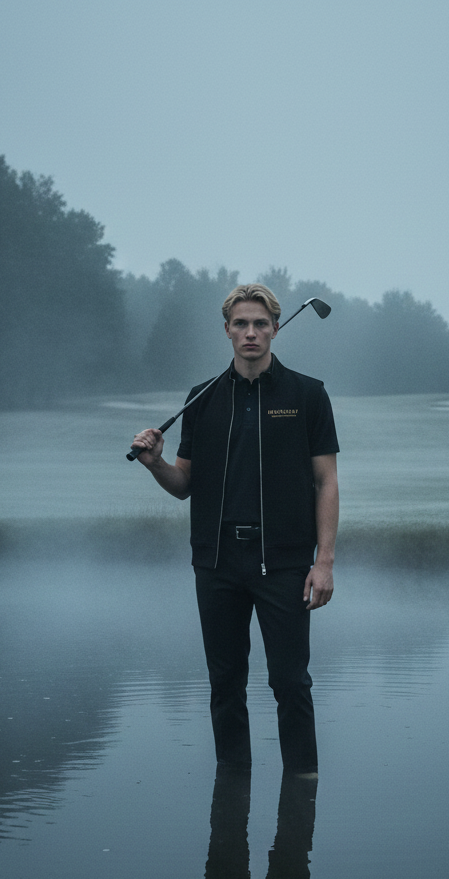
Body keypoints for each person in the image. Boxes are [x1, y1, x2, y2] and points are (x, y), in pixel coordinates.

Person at [131, 283, 339, 777]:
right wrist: (155, 464)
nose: (251, 332)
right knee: (225, 684)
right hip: (218, 562)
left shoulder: (306, 394)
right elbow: (184, 485)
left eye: (260, 323)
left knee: (291, 683)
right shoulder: (201, 399)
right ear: (226, 330)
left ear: (274, 329)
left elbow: (326, 481)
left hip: (285, 563)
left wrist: (324, 562)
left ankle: (301, 792)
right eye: (241, 324)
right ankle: (233, 790)